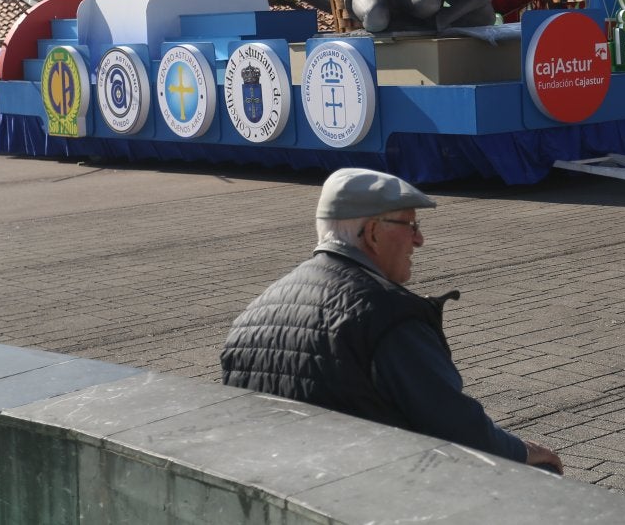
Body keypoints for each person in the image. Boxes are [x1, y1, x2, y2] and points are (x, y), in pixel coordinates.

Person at [220, 168, 564, 473]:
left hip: (284, 487)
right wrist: (522, 452)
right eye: (410, 225)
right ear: (372, 233)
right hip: (366, 494)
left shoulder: (252, 314)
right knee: (538, 475)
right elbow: (456, 428)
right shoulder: (386, 314)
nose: (419, 239)